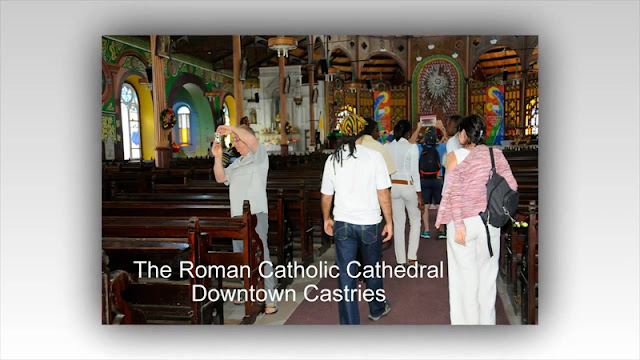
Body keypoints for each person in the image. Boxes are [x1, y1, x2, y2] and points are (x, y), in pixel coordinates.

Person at [435, 114, 518, 325]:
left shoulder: (454, 157)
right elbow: (512, 187)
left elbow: (454, 192)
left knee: (464, 280)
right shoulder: (495, 155)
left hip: (462, 224)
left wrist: (460, 224)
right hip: (489, 223)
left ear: (463, 134)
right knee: (488, 279)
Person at [321, 114, 393, 324]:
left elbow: (326, 195)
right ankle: (377, 308)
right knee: (372, 269)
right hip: (370, 222)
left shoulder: (333, 158)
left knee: (346, 275)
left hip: (343, 223)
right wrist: (389, 222)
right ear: (362, 134)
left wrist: (327, 218)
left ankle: (350, 324)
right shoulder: (374, 157)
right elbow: (383, 194)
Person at [211, 124, 278, 315]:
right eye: (234, 141)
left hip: (256, 214)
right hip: (237, 217)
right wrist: (217, 157)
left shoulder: (259, 158)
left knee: (261, 256)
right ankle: (248, 291)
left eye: (237, 140)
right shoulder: (236, 163)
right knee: (241, 258)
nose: (235, 144)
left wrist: (231, 128)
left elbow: (251, 140)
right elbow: (220, 177)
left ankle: (270, 298)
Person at [384, 120, 423, 266]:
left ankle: (400, 260)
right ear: (408, 133)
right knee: (415, 221)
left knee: (398, 224)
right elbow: (415, 173)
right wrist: (420, 196)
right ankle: (412, 257)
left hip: (393, 187)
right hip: (408, 187)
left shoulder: (387, 147)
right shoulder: (411, 148)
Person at [418, 126, 447, 239]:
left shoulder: (420, 148)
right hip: (438, 179)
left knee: (425, 205)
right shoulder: (440, 147)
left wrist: (419, 128)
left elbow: (410, 143)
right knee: (440, 205)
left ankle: (426, 230)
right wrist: (441, 127)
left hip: (424, 179)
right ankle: (441, 230)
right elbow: (450, 142)